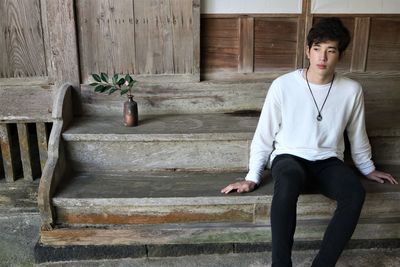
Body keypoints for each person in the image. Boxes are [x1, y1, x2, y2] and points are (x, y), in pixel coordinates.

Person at [221, 17, 397, 267]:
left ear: (341, 55)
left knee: (355, 193)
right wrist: (253, 176)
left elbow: (357, 134)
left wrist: (367, 168)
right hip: (289, 157)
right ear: (307, 51)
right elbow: (264, 134)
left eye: (330, 50)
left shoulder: (352, 90)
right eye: (317, 49)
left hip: (328, 161)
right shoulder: (283, 86)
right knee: (288, 182)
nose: (322, 57)